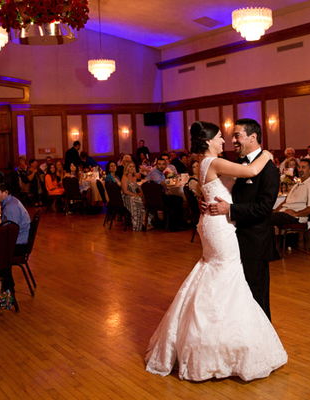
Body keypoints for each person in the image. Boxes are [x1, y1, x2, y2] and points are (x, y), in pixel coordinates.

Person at [145, 121, 286, 381]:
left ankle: (241, 343)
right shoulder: (220, 162)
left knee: (229, 283)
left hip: (231, 229)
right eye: (223, 136)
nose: (228, 140)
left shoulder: (214, 163)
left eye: (235, 136)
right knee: (227, 280)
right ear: (209, 141)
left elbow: (255, 200)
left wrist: (211, 200)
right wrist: (266, 154)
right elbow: (250, 170)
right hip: (222, 229)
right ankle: (230, 348)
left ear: (252, 137)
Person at [205, 118, 281, 320]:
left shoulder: (269, 169)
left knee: (257, 294)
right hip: (229, 240)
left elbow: (264, 208)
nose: (233, 141)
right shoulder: (236, 164)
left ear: (253, 137)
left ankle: (264, 341)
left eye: (237, 135)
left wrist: (230, 209)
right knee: (237, 295)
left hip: (254, 241)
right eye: (231, 136)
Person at [0, 178, 31, 256]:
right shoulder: (10, 200)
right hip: (16, 243)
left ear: (5, 192)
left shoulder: (10, 208)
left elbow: (7, 235)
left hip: (17, 247)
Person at [272, 158, 310, 225]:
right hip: (285, 212)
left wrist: (296, 213)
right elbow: (285, 201)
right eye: (299, 167)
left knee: (265, 218)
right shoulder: (297, 184)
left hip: (296, 217)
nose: (300, 170)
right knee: (263, 215)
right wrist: (275, 211)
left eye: (303, 167)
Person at [121, 162, 146, 231]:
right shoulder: (125, 177)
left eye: (133, 166)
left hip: (134, 196)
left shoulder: (134, 177)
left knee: (144, 199)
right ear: (127, 168)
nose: (132, 168)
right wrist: (136, 195)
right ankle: (141, 222)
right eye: (130, 166)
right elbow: (125, 191)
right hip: (127, 197)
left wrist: (140, 193)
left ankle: (144, 220)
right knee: (137, 200)